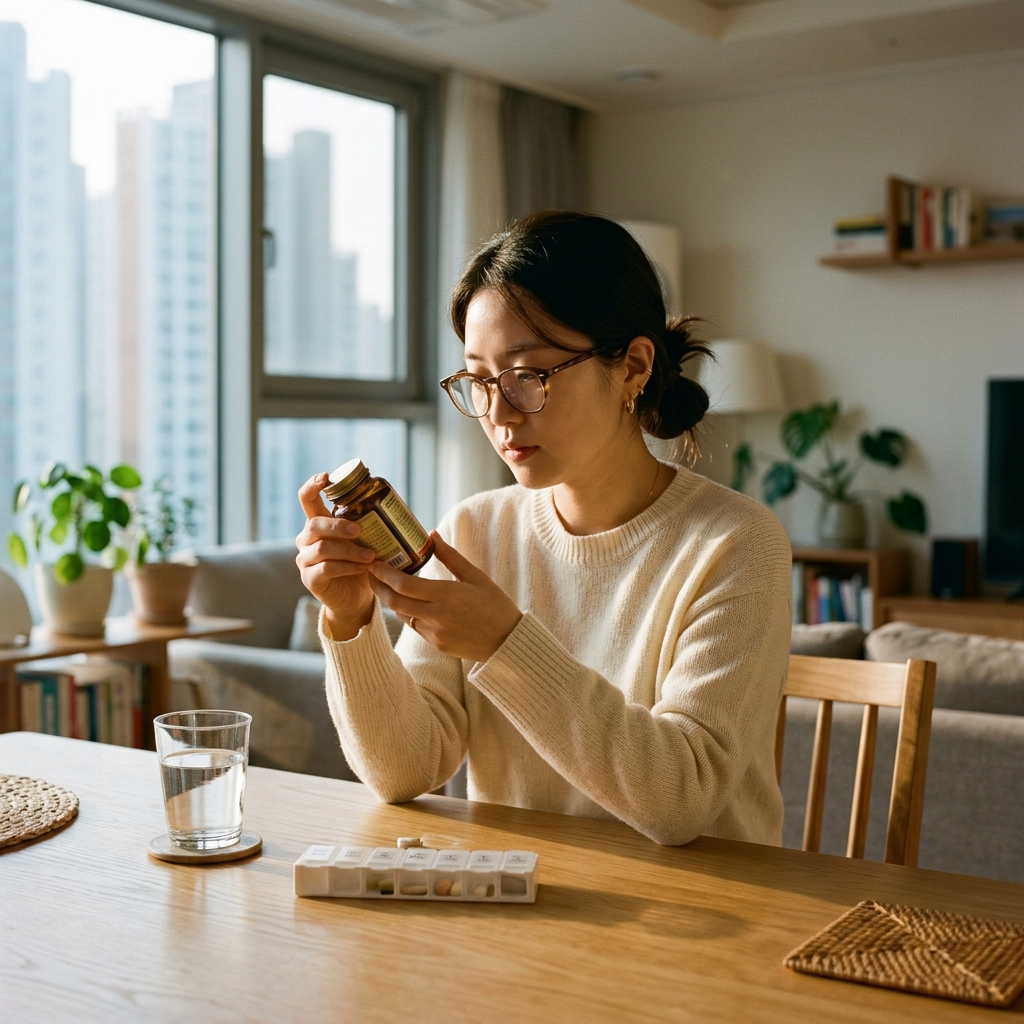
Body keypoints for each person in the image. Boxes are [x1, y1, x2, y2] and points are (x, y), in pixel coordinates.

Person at [296, 211, 791, 846]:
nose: (498, 413)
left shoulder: (735, 543)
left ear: (634, 367)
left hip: (709, 914)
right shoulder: (476, 528)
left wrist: (506, 643)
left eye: (528, 374)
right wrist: (350, 622)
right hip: (522, 901)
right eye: (478, 379)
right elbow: (405, 770)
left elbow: (683, 800)